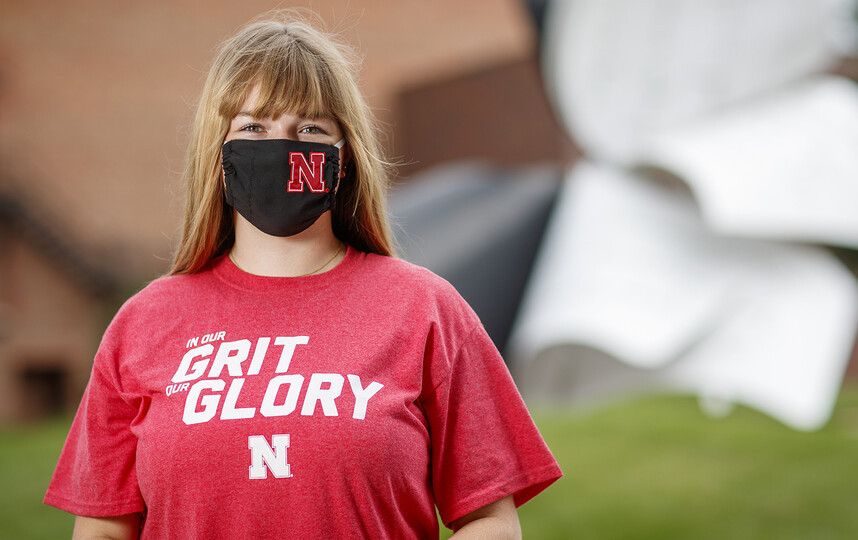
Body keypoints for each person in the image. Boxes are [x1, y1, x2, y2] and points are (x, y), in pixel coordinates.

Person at [44, 13, 561, 540]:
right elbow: (103, 530)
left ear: (346, 157)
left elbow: (491, 521)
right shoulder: (143, 323)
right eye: (252, 128)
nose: (280, 147)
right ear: (218, 156)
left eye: (309, 129)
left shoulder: (425, 309)